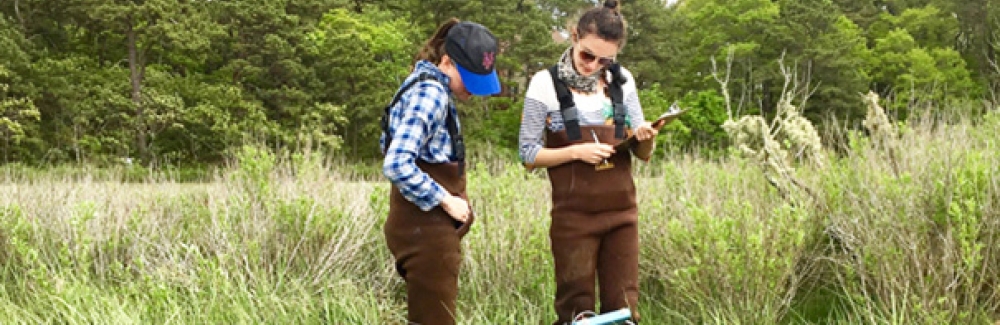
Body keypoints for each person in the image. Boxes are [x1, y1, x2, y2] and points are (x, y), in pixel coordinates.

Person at [517, 1, 658, 323]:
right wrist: (575, 152)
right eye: (587, 55)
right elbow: (527, 155)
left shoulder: (623, 82)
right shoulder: (544, 83)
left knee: (624, 311)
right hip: (573, 219)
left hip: (623, 214)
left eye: (604, 59)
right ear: (573, 37)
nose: (593, 65)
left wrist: (647, 137)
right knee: (577, 312)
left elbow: (644, 155)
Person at [380, 18, 501, 325]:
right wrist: (447, 201)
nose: (475, 91)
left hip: (422, 228)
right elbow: (397, 163)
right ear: (447, 61)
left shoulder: (422, 85)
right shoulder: (430, 94)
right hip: (424, 231)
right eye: (470, 78)